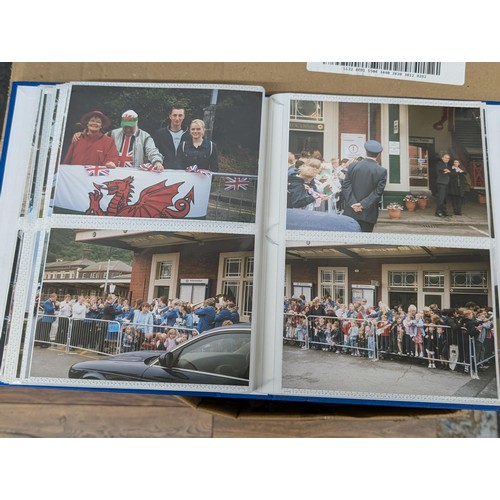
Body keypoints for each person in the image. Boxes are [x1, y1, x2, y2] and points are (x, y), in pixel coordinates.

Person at [341, 140, 387, 232]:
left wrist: (353, 203)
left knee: (348, 241)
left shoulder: (353, 166)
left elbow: (346, 186)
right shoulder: (381, 171)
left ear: (365, 152)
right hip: (368, 213)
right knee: (363, 242)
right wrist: (363, 204)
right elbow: (378, 192)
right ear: (378, 154)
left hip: (350, 211)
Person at [152, 105, 191, 169]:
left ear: (184, 116)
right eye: (174, 115)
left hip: (184, 171)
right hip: (163, 170)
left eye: (180, 115)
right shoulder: (160, 134)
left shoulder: (189, 135)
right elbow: (154, 151)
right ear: (170, 116)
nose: (177, 118)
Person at [434, 152, 451, 217]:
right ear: (442, 158)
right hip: (441, 183)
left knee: (445, 199)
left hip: (446, 183)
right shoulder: (440, 164)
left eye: (448, 158)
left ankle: (444, 212)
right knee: (441, 198)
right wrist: (447, 171)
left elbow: (450, 171)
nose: (447, 159)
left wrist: (447, 171)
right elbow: (442, 170)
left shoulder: (448, 165)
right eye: (445, 158)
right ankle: (438, 212)